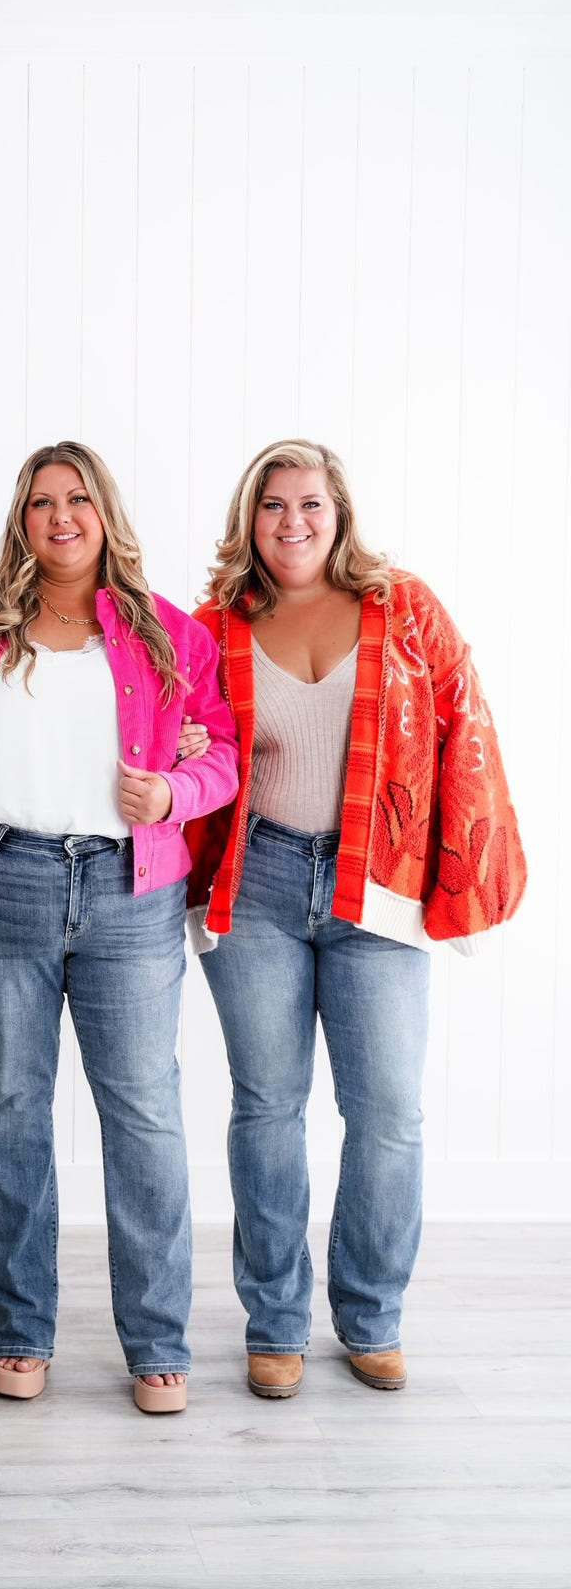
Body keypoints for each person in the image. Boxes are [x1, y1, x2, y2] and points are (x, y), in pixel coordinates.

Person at [187, 439, 526, 1399]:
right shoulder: (214, 623)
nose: (292, 522)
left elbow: (467, 727)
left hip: (376, 886)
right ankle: (275, 1323)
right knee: (267, 1107)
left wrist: (463, 873)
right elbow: (184, 746)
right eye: (273, 506)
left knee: (387, 1114)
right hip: (258, 883)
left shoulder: (404, 606)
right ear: (250, 519)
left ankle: (371, 1316)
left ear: (339, 515)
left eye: (310, 504)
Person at [0, 441, 238, 1413]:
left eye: (78, 500)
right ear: (21, 519)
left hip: (130, 894)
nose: (60, 517)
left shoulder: (170, 634)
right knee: (12, 1111)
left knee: (143, 1114)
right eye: (41, 502)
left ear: (105, 513)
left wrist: (175, 791)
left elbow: (224, 755)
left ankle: (158, 1343)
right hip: (4, 881)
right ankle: (22, 1332)